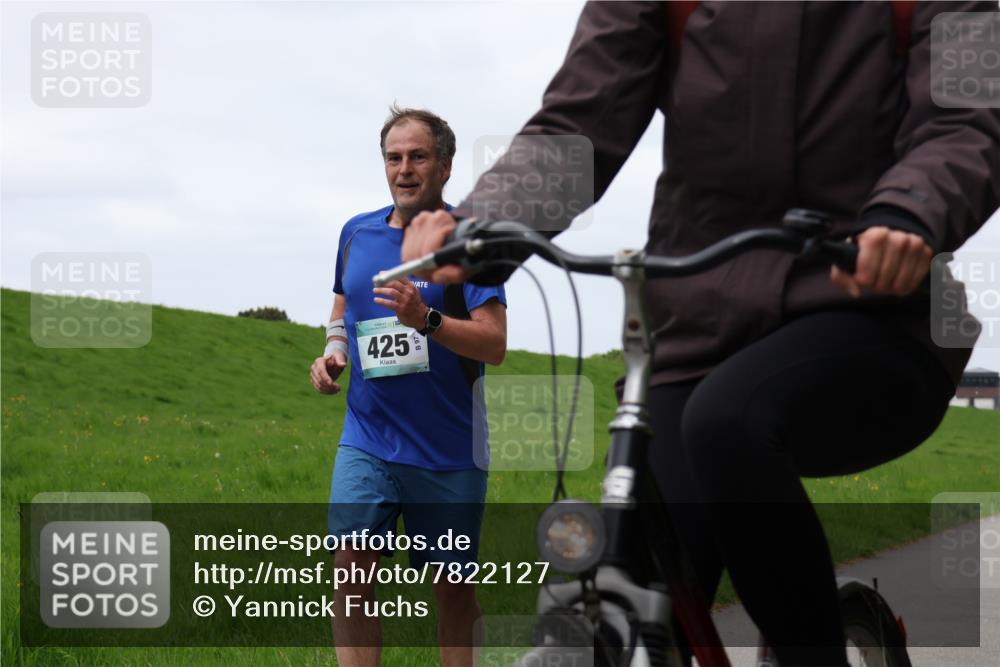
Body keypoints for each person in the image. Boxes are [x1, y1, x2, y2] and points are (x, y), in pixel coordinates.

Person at [400, 2, 1000, 665]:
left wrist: (909, 212)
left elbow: (967, 118)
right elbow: (581, 120)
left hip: (874, 310)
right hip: (697, 329)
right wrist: (486, 220)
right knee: (638, 566)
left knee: (728, 420)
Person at [310, 105, 507, 667]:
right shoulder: (357, 232)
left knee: (452, 592)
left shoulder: (471, 243)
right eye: (394, 157)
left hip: (448, 450)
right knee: (349, 570)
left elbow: (493, 343)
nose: (404, 168)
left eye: (418, 156)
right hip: (368, 438)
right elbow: (344, 300)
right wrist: (334, 351)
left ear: (444, 168)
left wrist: (427, 320)